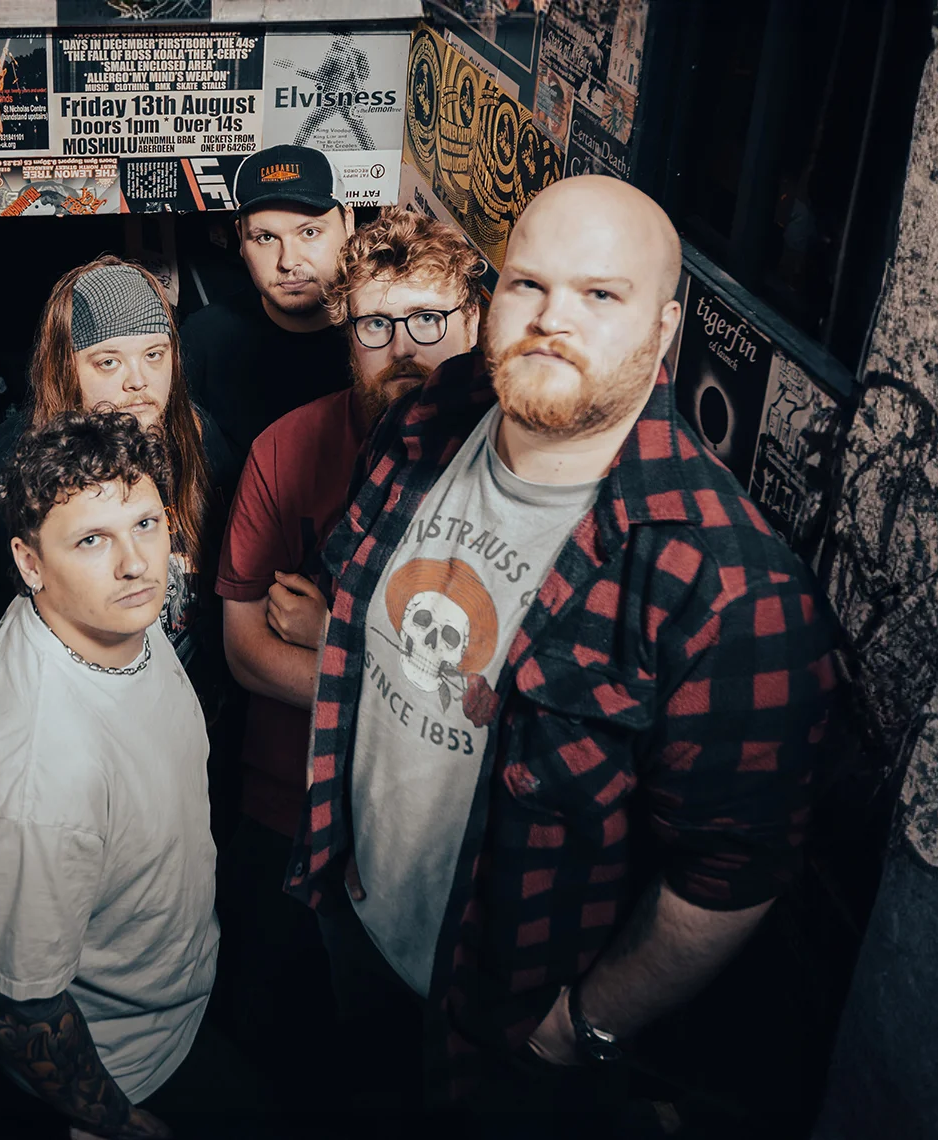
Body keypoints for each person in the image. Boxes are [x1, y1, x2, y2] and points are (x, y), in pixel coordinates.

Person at [287, 176, 838, 1123]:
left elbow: (731, 876)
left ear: (663, 331)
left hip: (504, 1027)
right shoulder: (432, 416)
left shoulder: (725, 586)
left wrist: (581, 1026)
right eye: (527, 285)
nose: (551, 320)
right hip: (354, 915)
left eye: (600, 295)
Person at [212, 208, 484, 1077]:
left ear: (473, 324)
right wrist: (401, 684)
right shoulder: (285, 449)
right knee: (269, 1041)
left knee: (398, 1067)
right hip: (282, 798)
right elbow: (247, 652)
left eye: (428, 320)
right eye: (376, 323)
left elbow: (495, 699)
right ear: (347, 329)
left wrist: (336, 640)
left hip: (427, 831)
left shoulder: (512, 477)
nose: (402, 346)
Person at [0, 409, 253, 1138]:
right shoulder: (42, 776)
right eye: (92, 540)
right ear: (31, 564)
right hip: (130, 1069)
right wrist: (120, 1121)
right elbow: (18, 1007)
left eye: (147, 525)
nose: (135, 563)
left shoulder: (118, 612)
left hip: (184, 995)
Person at [0, 257, 233, 724]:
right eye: (108, 361)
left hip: (191, 721)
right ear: (66, 368)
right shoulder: (1, 483)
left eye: (155, 355)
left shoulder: (197, 437)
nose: (138, 380)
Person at [179, 144, 356, 480]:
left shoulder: (382, 335)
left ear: (348, 223)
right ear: (240, 241)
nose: (288, 260)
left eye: (309, 232)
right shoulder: (202, 340)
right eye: (264, 238)